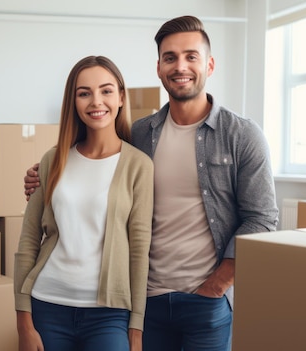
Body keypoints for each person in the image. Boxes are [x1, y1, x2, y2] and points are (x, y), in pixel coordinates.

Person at [24, 16, 278, 351]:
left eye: (191, 56)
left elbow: (262, 218)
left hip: (206, 302)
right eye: (170, 57)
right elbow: (97, 160)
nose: (180, 66)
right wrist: (43, 174)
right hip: (146, 300)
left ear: (210, 65)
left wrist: (218, 284)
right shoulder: (142, 134)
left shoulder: (242, 135)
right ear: (159, 67)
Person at [14, 55, 154, 351]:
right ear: (73, 102)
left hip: (109, 314)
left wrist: (137, 329)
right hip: (47, 305)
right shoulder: (53, 160)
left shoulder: (138, 165)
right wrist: (23, 323)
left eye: (106, 90)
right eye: (84, 93)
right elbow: (28, 240)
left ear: (120, 98)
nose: (95, 101)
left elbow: (140, 250)